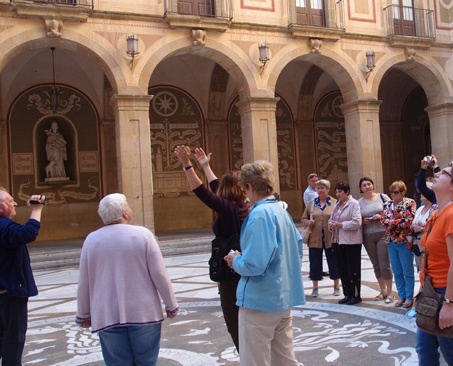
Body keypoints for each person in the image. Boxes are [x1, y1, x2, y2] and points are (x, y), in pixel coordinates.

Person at [76, 193, 180, 365]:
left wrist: (84, 314)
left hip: (108, 314)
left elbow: (84, 282)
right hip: (144, 313)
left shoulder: (92, 240)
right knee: (146, 361)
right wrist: (171, 305)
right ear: (125, 213)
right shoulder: (143, 235)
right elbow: (159, 274)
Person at [225, 160, 305, 366]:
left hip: (260, 302)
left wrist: (236, 260)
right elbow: (296, 248)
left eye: (245, 189)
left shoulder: (259, 214)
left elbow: (255, 265)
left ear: (250, 187)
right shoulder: (281, 211)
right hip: (282, 297)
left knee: (254, 361)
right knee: (285, 360)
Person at [174, 145, 249, 350]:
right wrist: (205, 167)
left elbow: (202, 192)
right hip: (243, 270)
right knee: (245, 321)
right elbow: (217, 187)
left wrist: (187, 165)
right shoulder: (239, 206)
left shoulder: (228, 208)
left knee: (234, 321)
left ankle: (248, 360)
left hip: (230, 273)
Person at [415, 162, 453, 366]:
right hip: (433, 289)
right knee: (425, 349)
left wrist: (449, 304)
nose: (438, 174)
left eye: (445, 173)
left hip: (445, 292)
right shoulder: (437, 212)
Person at [0, 189, 46, 365]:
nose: (14, 203)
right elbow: (27, 233)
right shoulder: (3, 226)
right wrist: (36, 210)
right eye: (10, 200)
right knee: (13, 339)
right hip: (10, 293)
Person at [301, 179, 341, 297]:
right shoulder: (312, 203)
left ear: (328, 189)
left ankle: (336, 286)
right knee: (314, 263)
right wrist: (308, 222)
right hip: (315, 238)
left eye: (322, 188)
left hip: (331, 238)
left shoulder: (335, 203)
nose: (320, 190)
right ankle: (315, 288)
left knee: (334, 262)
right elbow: (303, 218)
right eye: (318, 188)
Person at [381, 180, 416, 308]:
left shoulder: (409, 203)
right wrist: (393, 222)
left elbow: (409, 220)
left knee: (407, 270)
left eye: (396, 192)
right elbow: (383, 220)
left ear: (402, 192)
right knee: (397, 270)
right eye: (391, 192)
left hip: (404, 241)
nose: (393, 195)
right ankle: (401, 296)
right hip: (391, 241)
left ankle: (409, 297)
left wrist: (391, 222)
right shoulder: (387, 204)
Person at [358, 177, 393, 302]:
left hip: (382, 233)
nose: (367, 187)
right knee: (376, 264)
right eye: (364, 185)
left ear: (373, 185)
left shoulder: (383, 197)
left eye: (369, 184)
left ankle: (390, 291)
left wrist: (382, 216)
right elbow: (356, 218)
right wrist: (363, 221)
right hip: (367, 235)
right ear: (361, 189)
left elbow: (392, 211)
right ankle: (382, 290)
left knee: (384, 263)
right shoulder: (359, 202)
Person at [328, 182, 363, 305]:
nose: (338, 194)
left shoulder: (354, 204)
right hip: (338, 240)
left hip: (351, 241)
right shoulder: (337, 204)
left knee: (352, 268)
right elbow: (332, 218)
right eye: (336, 192)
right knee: (342, 268)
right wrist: (331, 225)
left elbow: (357, 222)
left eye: (340, 192)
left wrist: (340, 225)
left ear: (347, 192)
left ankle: (355, 294)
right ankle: (347, 293)